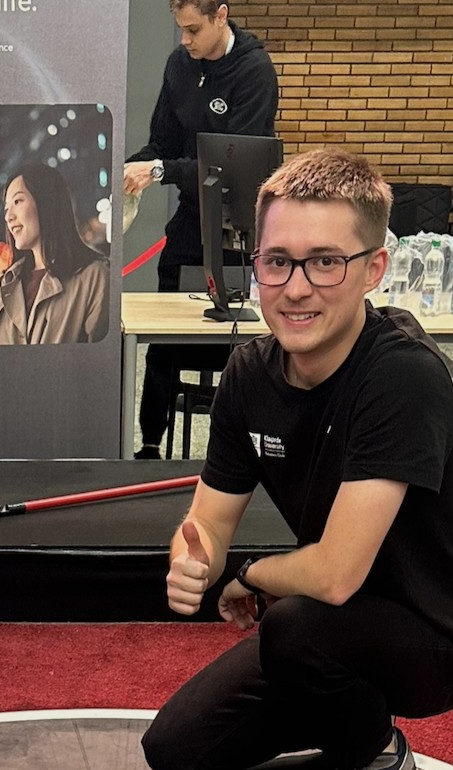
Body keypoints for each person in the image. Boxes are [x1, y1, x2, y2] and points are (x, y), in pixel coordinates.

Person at [142, 147, 453, 770]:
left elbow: (335, 575)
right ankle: (333, 706)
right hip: (329, 628)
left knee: (293, 625)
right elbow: (206, 523)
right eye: (277, 261)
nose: (296, 288)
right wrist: (194, 560)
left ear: (374, 269)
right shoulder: (249, 374)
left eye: (325, 262)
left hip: (434, 635)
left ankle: (377, 755)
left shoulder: (402, 377)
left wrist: (248, 575)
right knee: (177, 751)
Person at [123, 0, 278, 456]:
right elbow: (163, 143)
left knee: (243, 348)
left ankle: (242, 450)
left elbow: (233, 163)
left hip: (239, 225)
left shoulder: (254, 72)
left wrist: (160, 171)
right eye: (180, 29)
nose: (185, 40)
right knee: (164, 340)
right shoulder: (180, 65)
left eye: (193, 30)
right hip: (191, 221)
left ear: (221, 15)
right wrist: (128, 168)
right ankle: (150, 446)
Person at [0, 163, 109, 345]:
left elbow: (102, 357)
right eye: (6, 209)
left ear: (47, 202)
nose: (9, 217)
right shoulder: (5, 285)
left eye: (17, 202)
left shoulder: (95, 276)